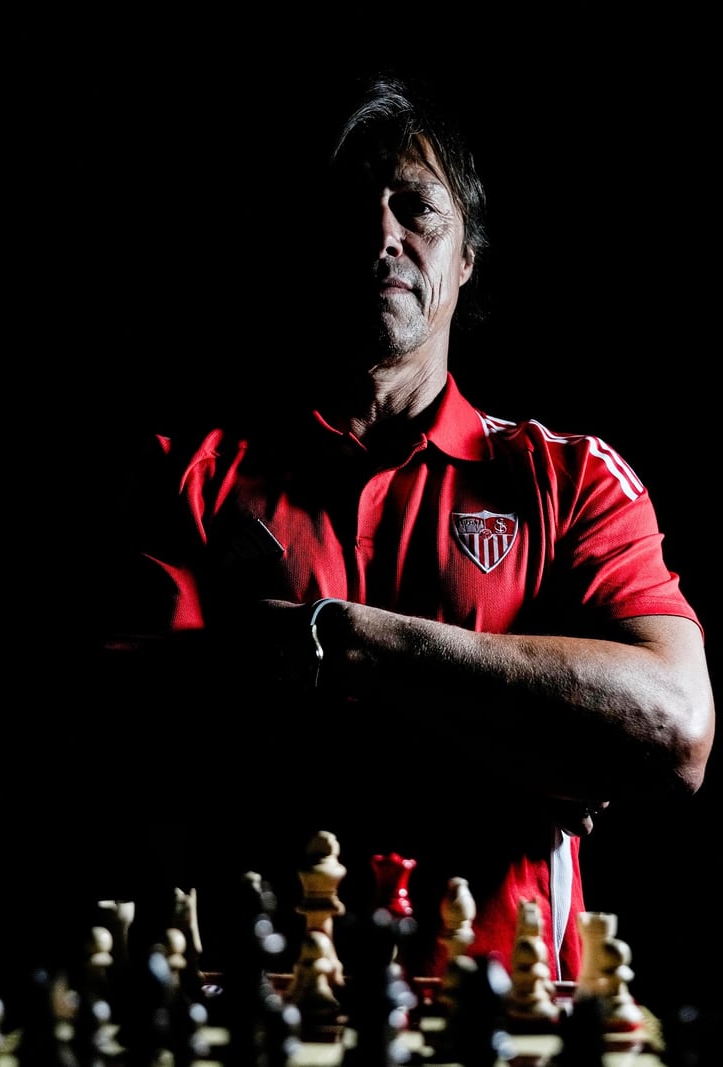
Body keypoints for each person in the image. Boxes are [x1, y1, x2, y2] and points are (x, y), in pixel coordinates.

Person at [97, 71, 715, 987]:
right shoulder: (185, 475)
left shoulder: (571, 478)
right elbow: (131, 736)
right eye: (356, 207)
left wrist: (341, 639)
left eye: (416, 207)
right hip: (255, 1015)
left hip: (502, 1021)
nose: (382, 233)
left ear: (466, 257)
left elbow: (674, 728)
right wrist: (526, 737)